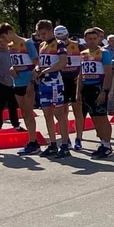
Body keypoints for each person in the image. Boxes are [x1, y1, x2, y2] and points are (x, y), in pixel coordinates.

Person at [0, 22, 41, 156]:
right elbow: (15, 63)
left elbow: (37, 63)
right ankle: (31, 141)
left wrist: (32, 81)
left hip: (28, 82)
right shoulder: (10, 46)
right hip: (17, 82)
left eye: (4, 37)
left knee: (29, 112)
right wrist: (11, 69)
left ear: (10, 32)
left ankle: (33, 141)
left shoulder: (27, 43)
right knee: (25, 113)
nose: (4, 41)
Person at [37, 25, 77, 158]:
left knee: (59, 114)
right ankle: (53, 144)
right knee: (47, 114)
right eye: (40, 34)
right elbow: (40, 62)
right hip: (43, 83)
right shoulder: (42, 45)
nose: (42, 36)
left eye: (44, 33)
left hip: (55, 83)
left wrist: (47, 70)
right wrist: (37, 69)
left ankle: (65, 145)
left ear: (50, 31)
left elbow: (63, 62)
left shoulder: (59, 44)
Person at [78, 27, 114, 158]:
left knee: (102, 117)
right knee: (94, 117)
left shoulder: (104, 53)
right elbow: (81, 74)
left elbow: (108, 73)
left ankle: (107, 145)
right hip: (87, 88)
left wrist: (104, 91)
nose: (92, 41)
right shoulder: (83, 54)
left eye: (95, 38)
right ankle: (103, 143)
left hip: (98, 87)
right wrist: (78, 91)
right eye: (90, 39)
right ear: (85, 39)